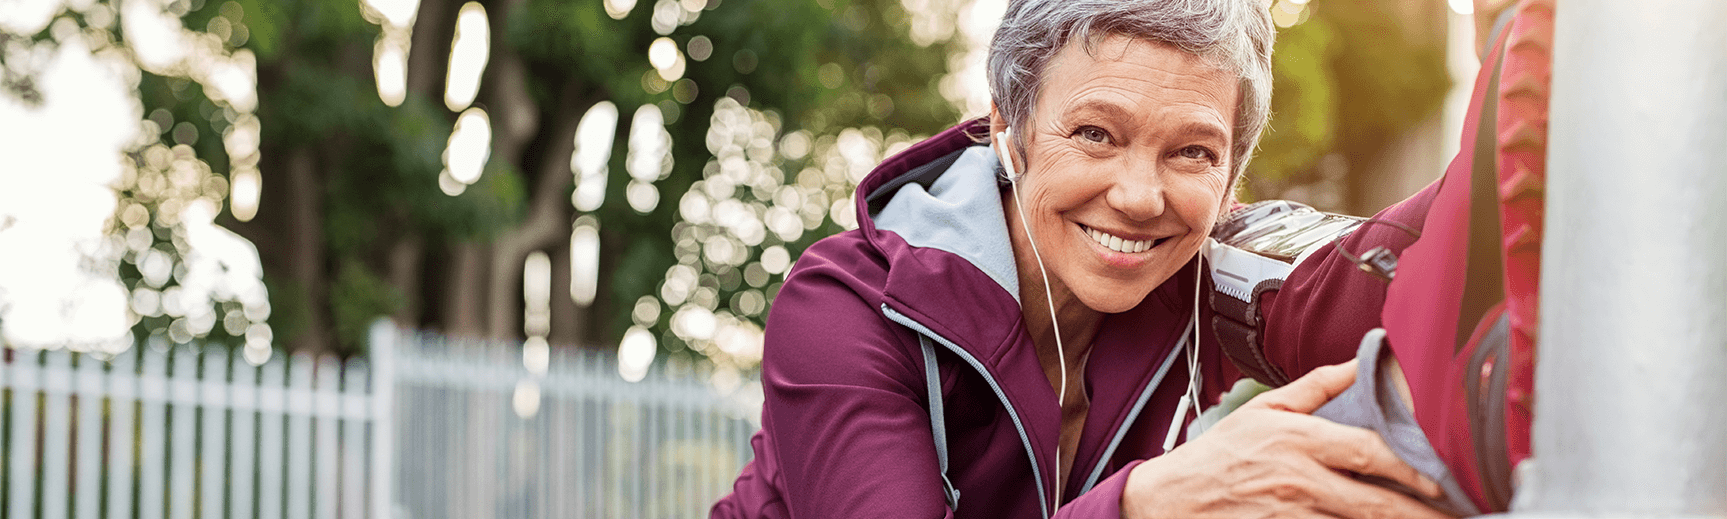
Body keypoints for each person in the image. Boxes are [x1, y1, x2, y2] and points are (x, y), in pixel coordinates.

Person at [711, 1, 1453, 517]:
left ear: (1231, 175)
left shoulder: (1202, 270)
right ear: (1010, 126)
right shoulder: (847, 308)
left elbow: (1401, 268)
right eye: (1096, 133)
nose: (1138, 196)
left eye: (1191, 151)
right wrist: (1145, 505)